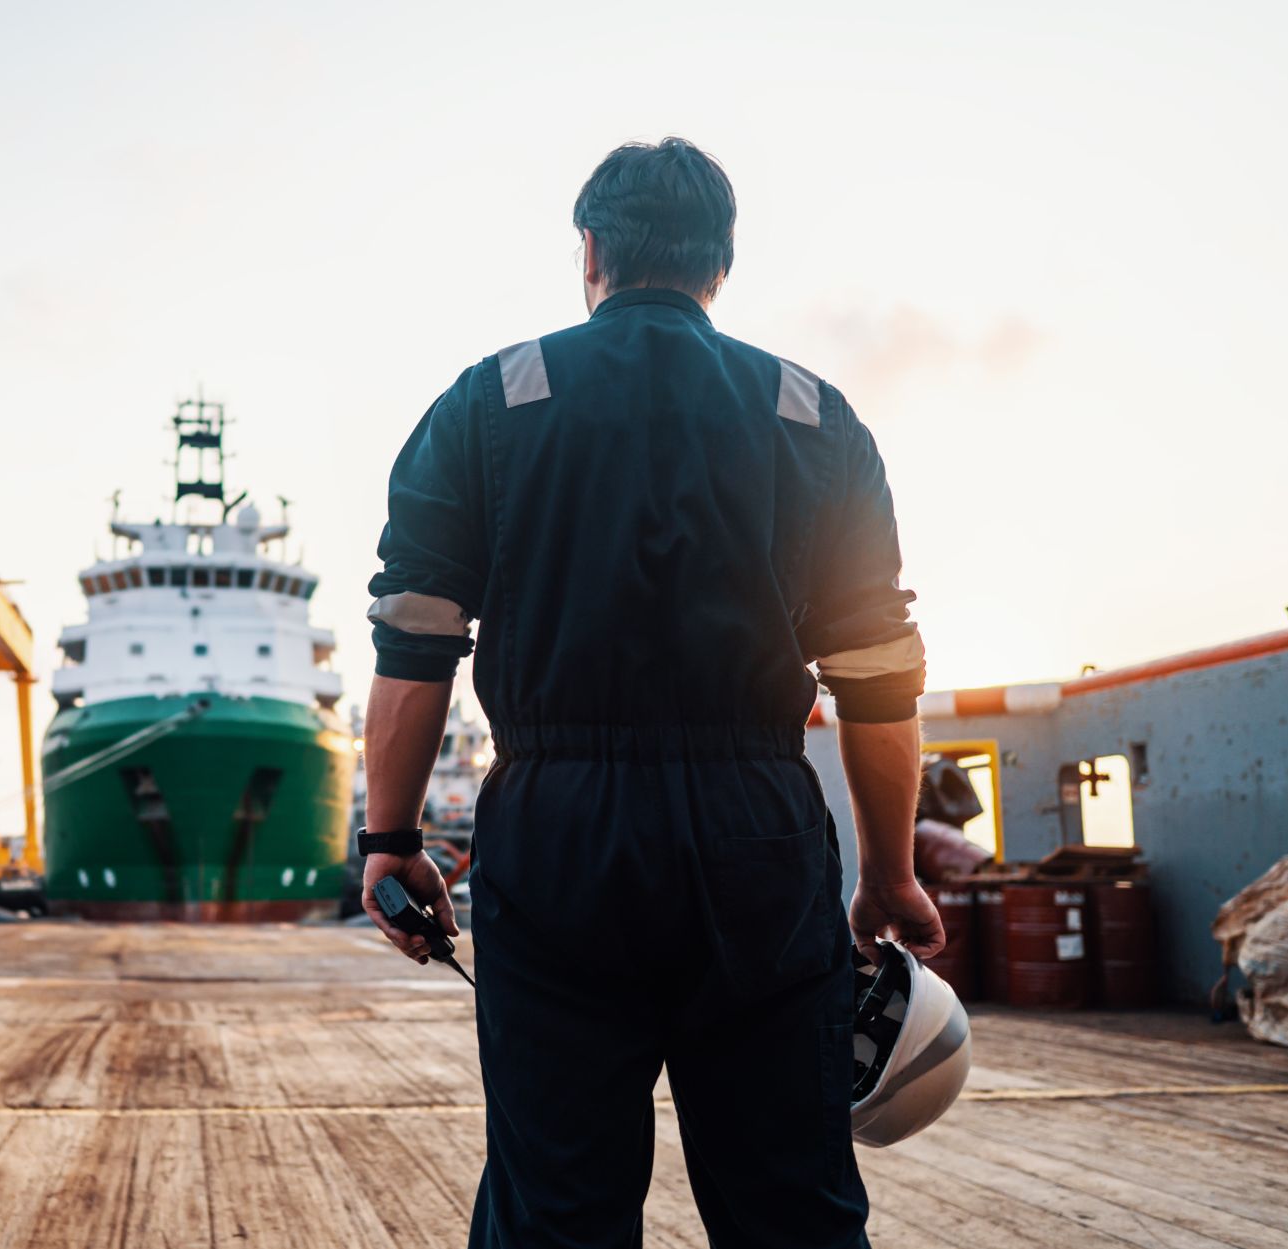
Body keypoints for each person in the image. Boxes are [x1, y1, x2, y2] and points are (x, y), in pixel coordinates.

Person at [358, 138, 946, 1249]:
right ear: (721, 265)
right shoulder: (813, 415)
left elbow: (416, 637)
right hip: (759, 841)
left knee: (557, 1208)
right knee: (794, 1207)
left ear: (591, 252)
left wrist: (390, 837)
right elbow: (876, 671)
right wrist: (890, 875)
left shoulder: (490, 401)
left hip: (561, 834)